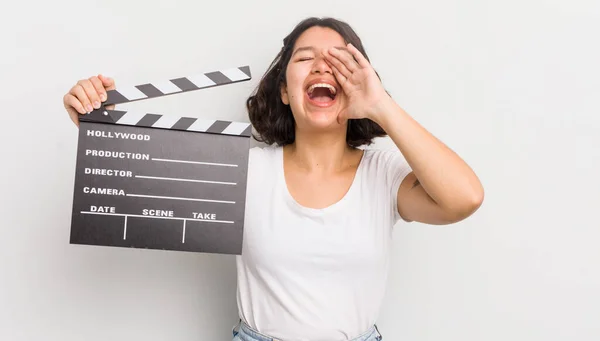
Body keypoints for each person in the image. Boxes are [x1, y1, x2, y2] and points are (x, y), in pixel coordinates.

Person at [63, 16, 484, 341]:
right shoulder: (243, 171)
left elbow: (463, 198)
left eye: (340, 60)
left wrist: (381, 107)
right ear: (284, 90)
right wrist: (95, 121)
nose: (322, 65)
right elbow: (136, 180)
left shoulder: (383, 175)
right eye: (304, 58)